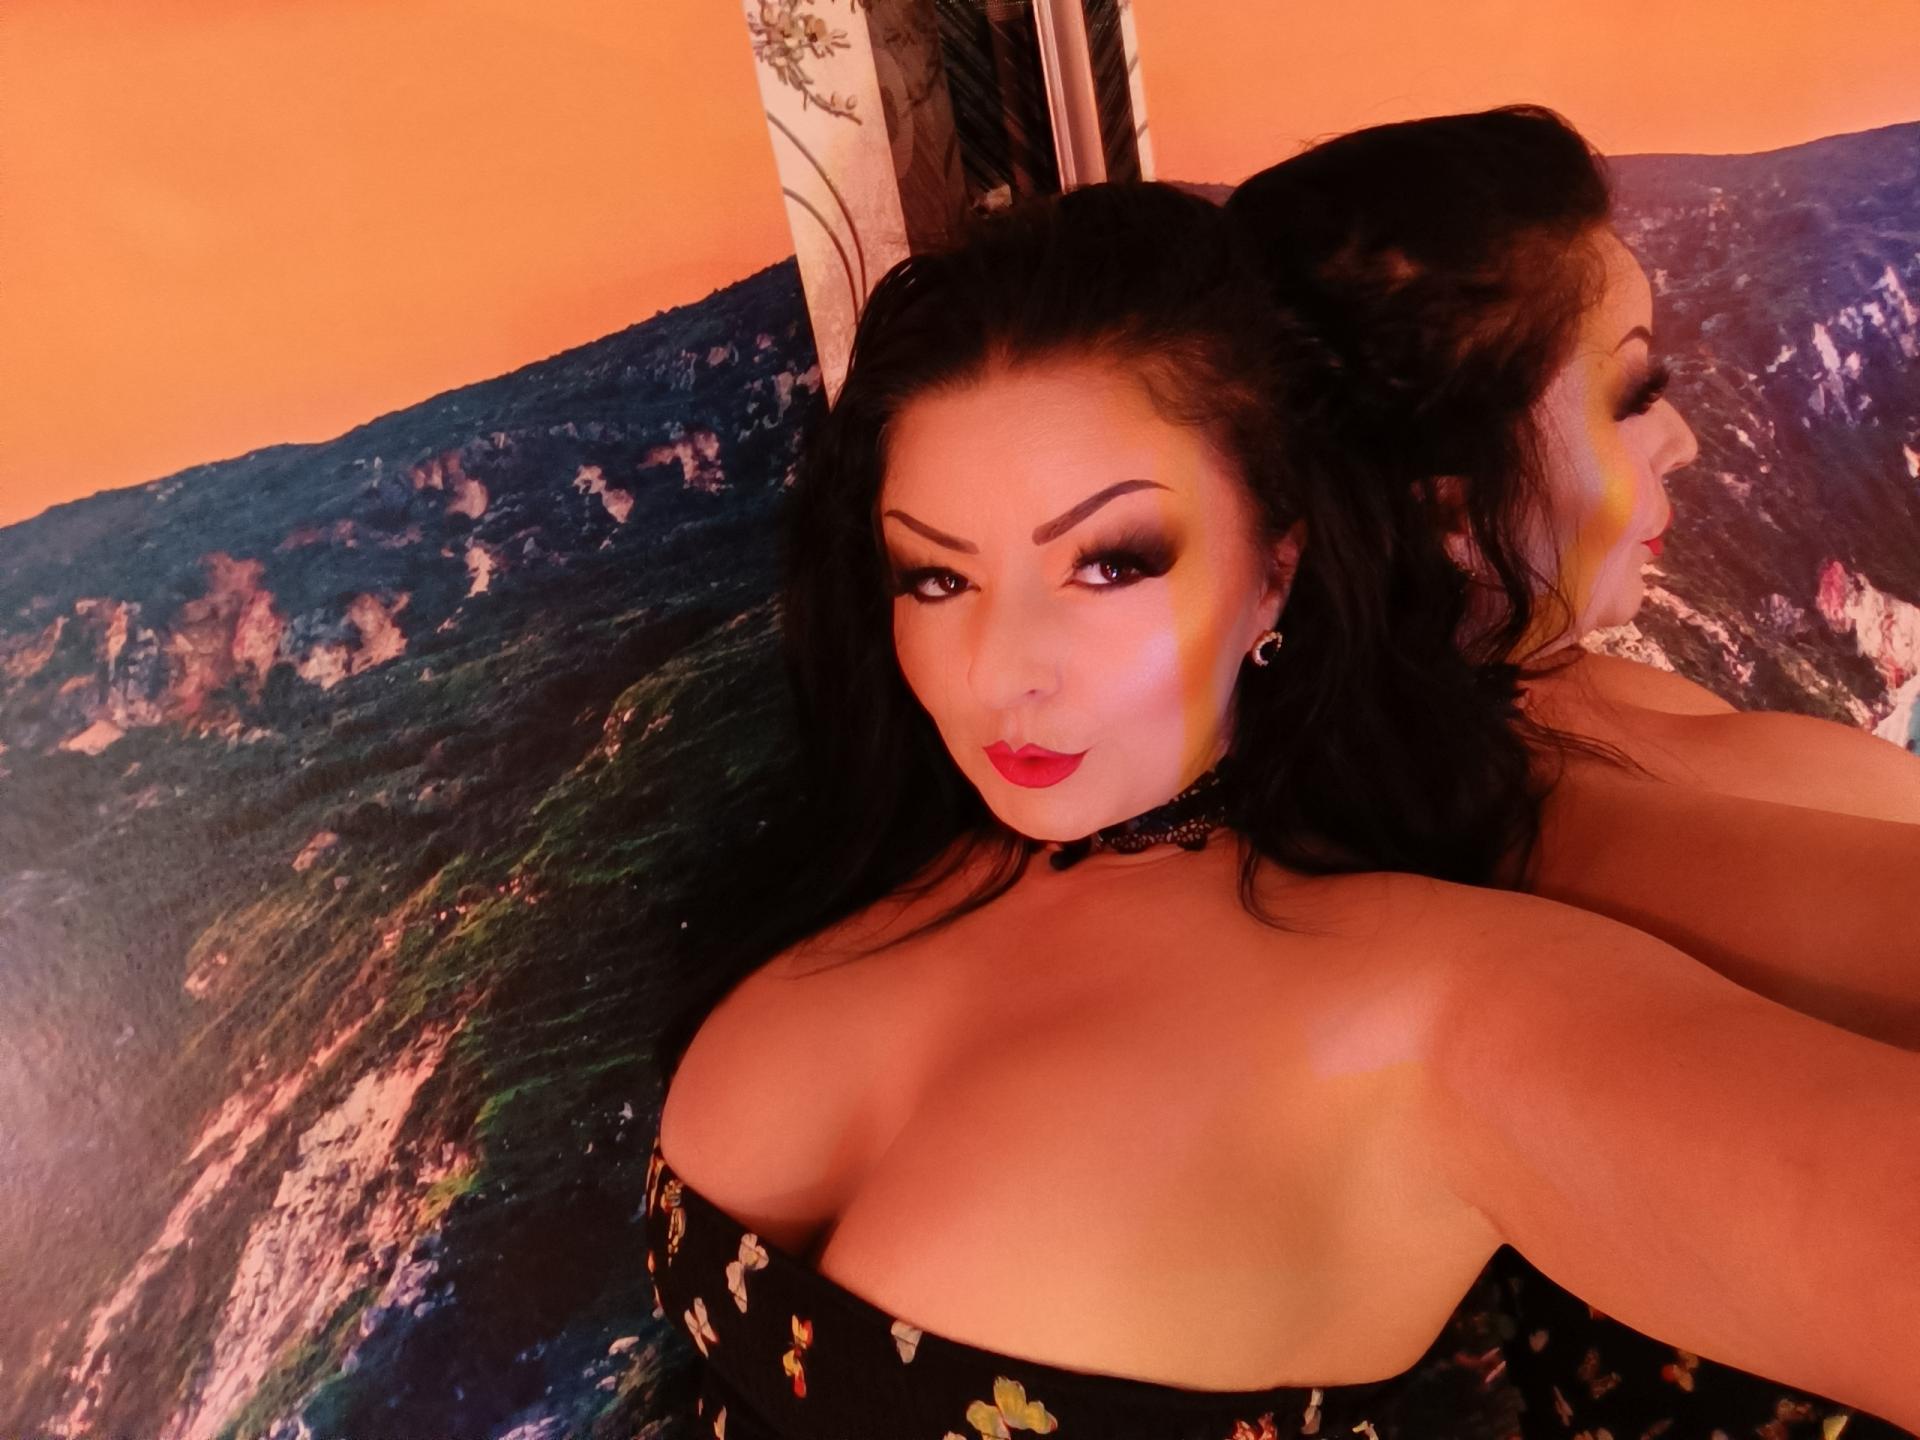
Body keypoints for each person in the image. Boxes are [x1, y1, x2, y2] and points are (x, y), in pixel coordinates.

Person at [646, 182, 1920, 1440]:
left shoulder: (1445, 1009)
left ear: (1277, 570)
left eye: (1110, 563)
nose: (997, 670)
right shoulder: (903, 857)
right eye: (935, 576)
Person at [1225, 107, 1920, 1437]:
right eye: (1631, 394)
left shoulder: (1513, 719)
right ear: (1446, 499)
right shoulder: (1533, 832)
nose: (1686, 441)